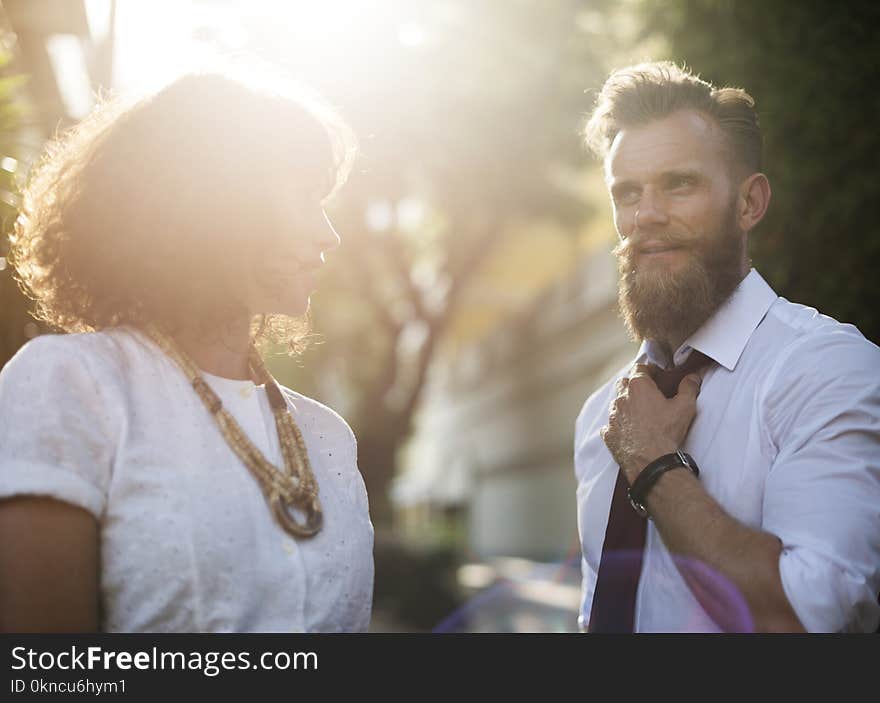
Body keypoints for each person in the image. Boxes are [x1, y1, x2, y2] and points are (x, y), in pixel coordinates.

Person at [0, 68, 374, 632]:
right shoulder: (72, 385)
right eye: (303, 197)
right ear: (211, 203)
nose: (330, 235)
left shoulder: (329, 439)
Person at [574, 61, 880, 632]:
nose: (647, 216)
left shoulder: (830, 371)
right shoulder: (600, 417)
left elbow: (803, 619)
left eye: (679, 184)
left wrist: (652, 464)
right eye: (628, 192)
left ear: (749, 204)